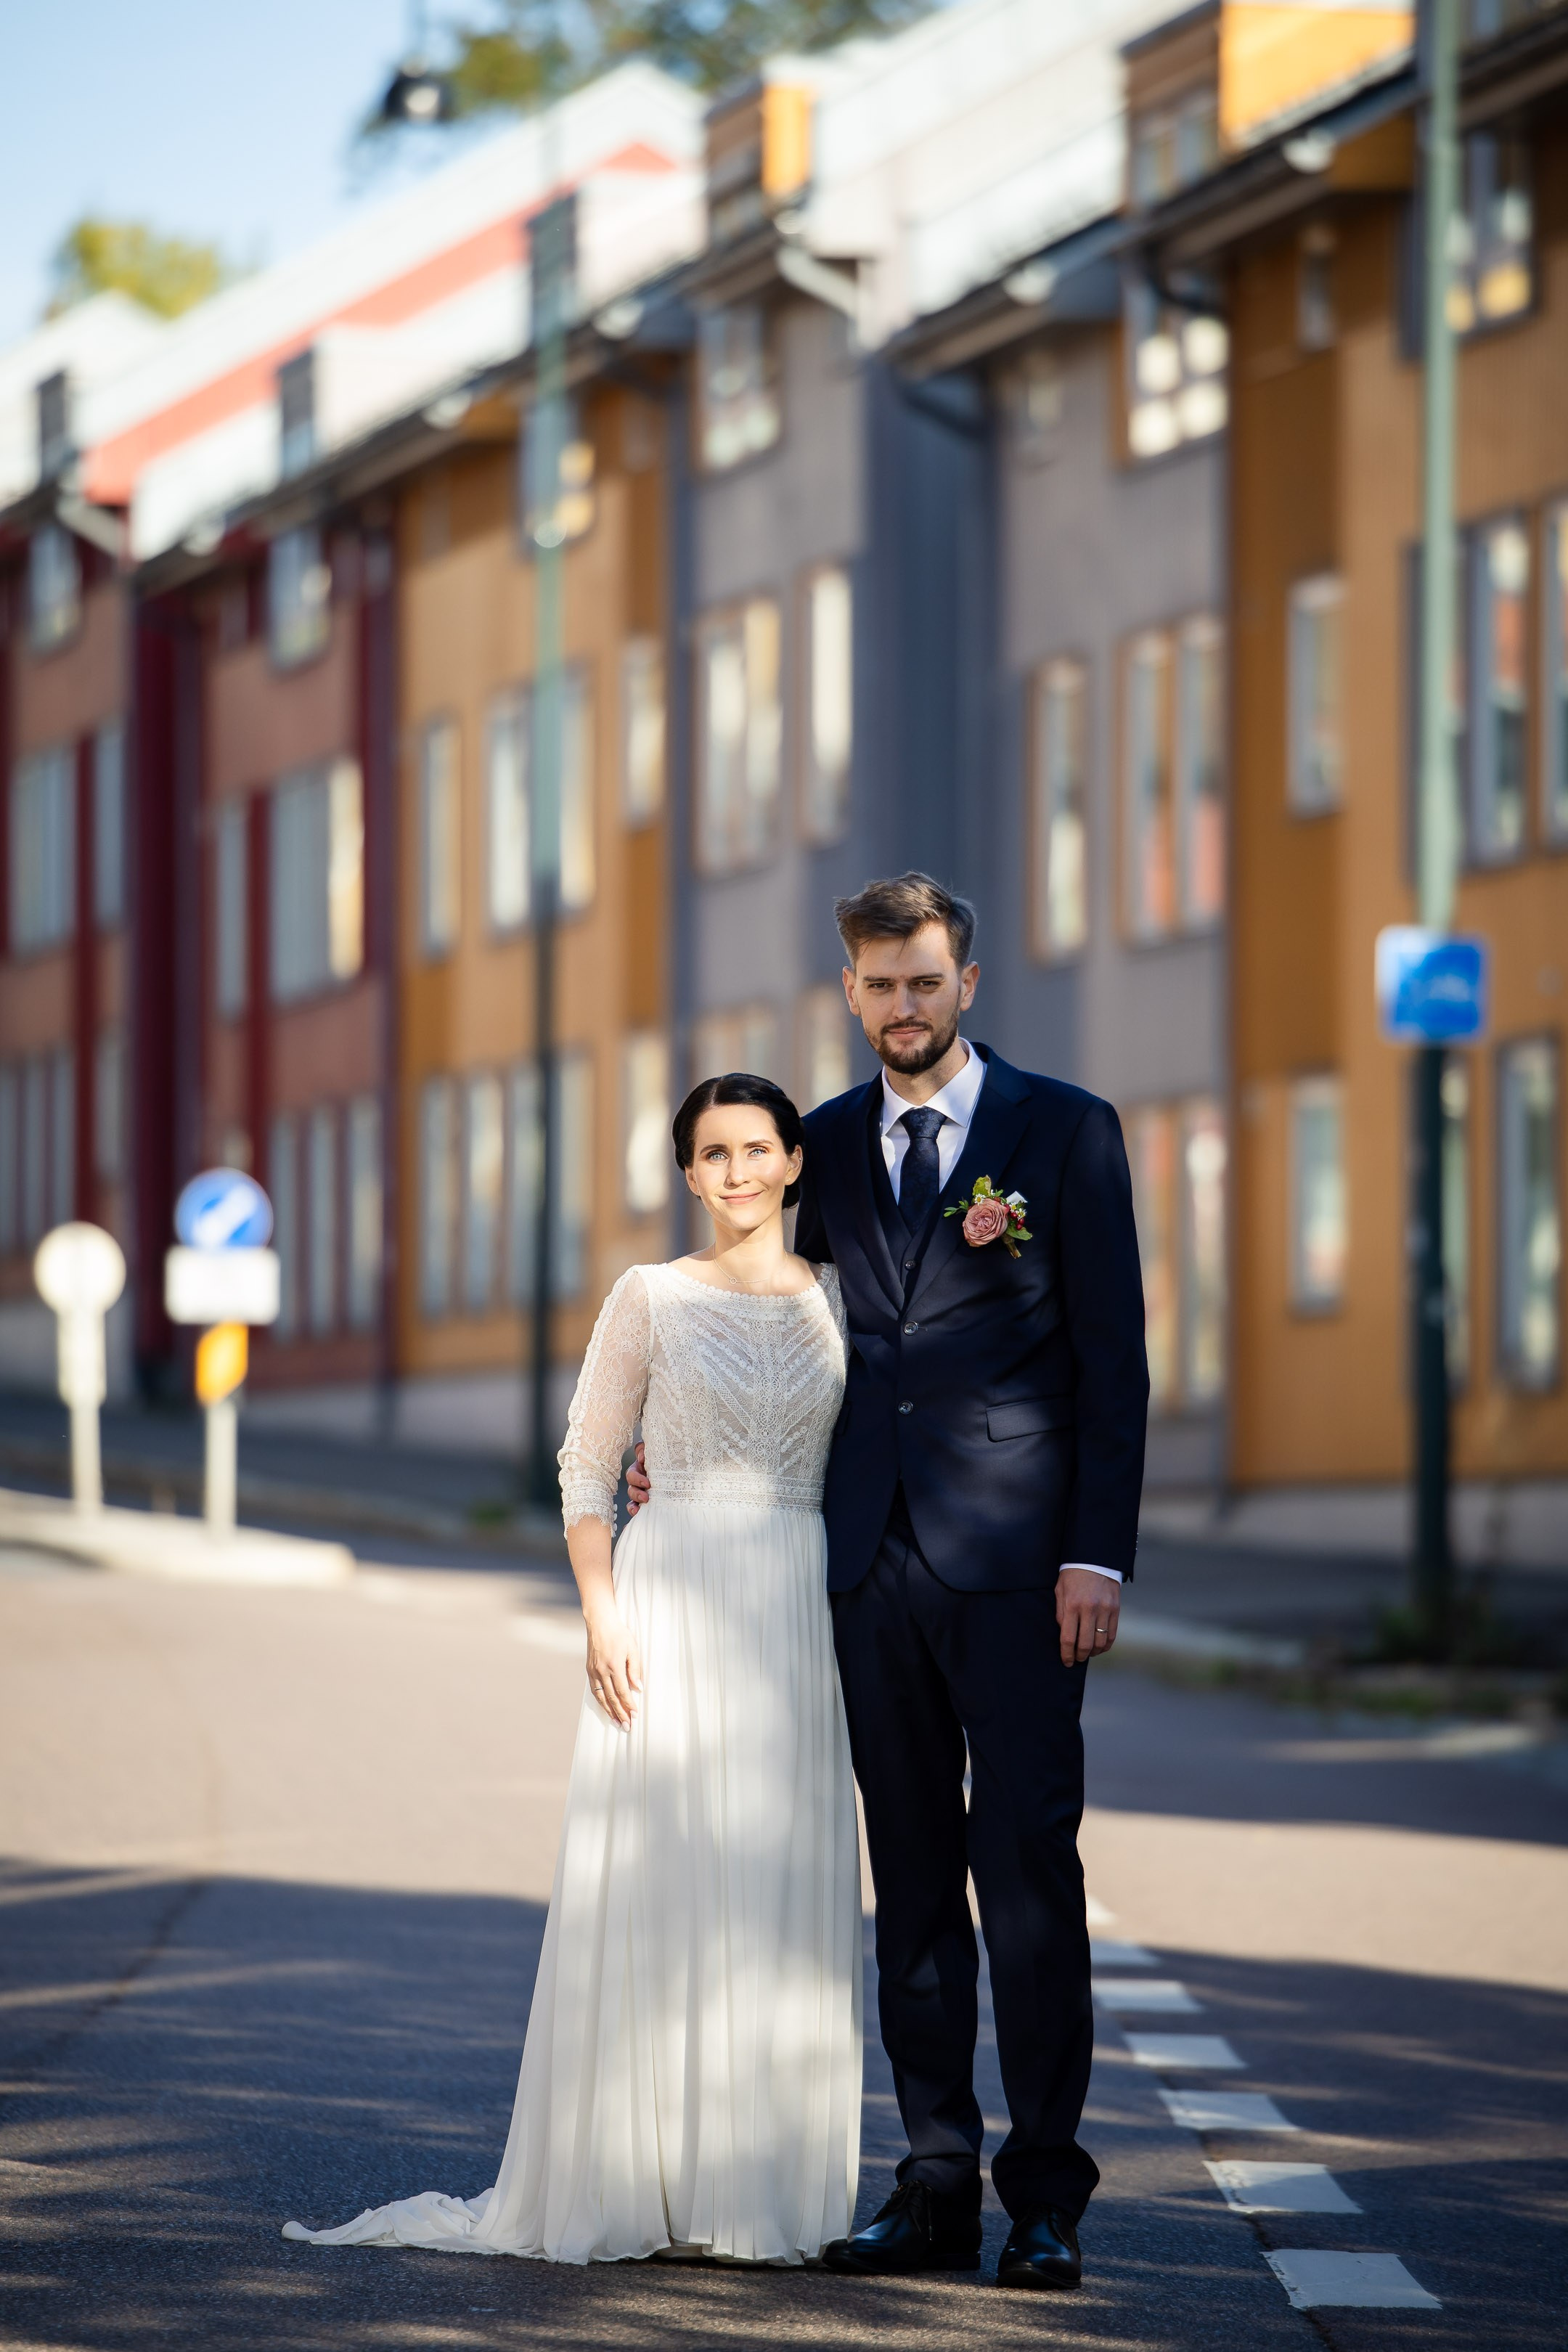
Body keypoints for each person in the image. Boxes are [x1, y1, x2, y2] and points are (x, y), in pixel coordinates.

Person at [629, 873, 1148, 2291]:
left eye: (924, 980)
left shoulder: (1067, 1132)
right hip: (860, 1565)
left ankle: (1045, 2197)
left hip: (1026, 1572)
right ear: (847, 994)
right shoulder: (828, 1147)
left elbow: (1114, 1366)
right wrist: (660, 1447)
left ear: (965, 984)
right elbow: (764, 1311)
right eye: (877, 984)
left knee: (1028, 1876)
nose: (902, 1007)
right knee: (910, 1883)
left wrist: (1099, 1552)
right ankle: (933, 2183)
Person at [282, 1073, 862, 2266]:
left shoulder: (847, 1303)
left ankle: (754, 2191)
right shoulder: (648, 1297)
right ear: (690, 1174)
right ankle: (632, 2179)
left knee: (773, 1883)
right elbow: (588, 1464)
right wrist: (601, 1611)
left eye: (759, 1148)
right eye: (715, 1153)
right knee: (662, 1878)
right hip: (669, 1596)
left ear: (796, 1162)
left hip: (800, 1611)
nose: (740, 1171)